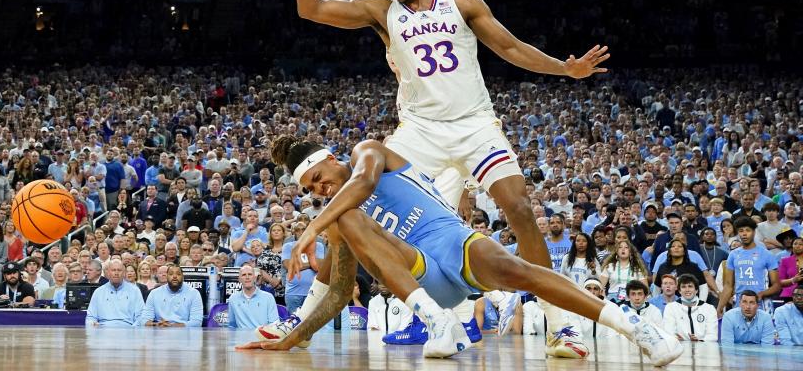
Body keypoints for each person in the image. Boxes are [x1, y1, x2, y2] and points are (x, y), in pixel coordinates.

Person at [280, 0, 610, 356]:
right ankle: (307, 314)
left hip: (474, 124)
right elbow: (310, 8)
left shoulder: (461, 1)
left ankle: (559, 324)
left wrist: (564, 69)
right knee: (358, 207)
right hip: (419, 131)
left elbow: (511, 48)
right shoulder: (382, 11)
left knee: (517, 206)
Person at [243, 137, 681, 365]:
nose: (320, 189)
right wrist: (294, 338)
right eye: (311, 190)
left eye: (318, 177)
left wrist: (310, 228)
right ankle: (440, 324)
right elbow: (338, 290)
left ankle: (635, 328)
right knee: (345, 220)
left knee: (516, 270)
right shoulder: (340, 217)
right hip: (419, 276)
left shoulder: (367, 153)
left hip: (451, 242)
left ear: (330, 158)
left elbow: (364, 183)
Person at [717, 217, 780, 316]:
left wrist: (762, 293)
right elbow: (728, 285)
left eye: (748, 230)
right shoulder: (733, 255)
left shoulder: (766, 254)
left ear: (754, 232)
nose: (744, 234)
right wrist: (720, 307)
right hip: (739, 304)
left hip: (761, 304)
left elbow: (777, 285)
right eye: (741, 231)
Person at [85, 260, 145, 327]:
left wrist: (134, 329)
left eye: (119, 270)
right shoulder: (98, 292)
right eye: (113, 270)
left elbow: (141, 316)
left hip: (128, 329)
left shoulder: (135, 291)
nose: (116, 273)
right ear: (108, 273)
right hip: (103, 330)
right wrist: (92, 323)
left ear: (124, 273)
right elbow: (90, 317)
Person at [662, 274, 718, 342]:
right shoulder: (671, 308)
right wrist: (677, 339)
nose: (687, 290)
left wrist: (699, 340)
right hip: (680, 348)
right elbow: (669, 333)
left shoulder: (709, 309)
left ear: (696, 290)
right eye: (683, 287)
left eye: (690, 286)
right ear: (679, 291)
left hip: (704, 349)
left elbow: (713, 335)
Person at [228, 264, 279, 330]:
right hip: (241, 339)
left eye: (250, 274)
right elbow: (232, 325)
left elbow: (274, 324)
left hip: (262, 338)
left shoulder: (268, 297)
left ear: (255, 278)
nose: (247, 277)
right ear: (239, 279)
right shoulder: (233, 298)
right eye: (244, 275)